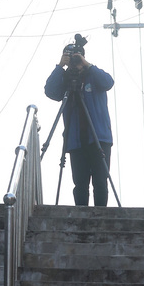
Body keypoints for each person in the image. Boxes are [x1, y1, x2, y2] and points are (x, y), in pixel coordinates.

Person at [44, 42, 114, 207]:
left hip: (99, 138)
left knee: (100, 182)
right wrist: (60, 66)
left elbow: (108, 82)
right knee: (80, 184)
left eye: (78, 58)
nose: (75, 62)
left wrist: (87, 65)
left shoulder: (93, 76)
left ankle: (100, 216)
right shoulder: (65, 80)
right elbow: (50, 91)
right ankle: (81, 214)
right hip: (76, 140)